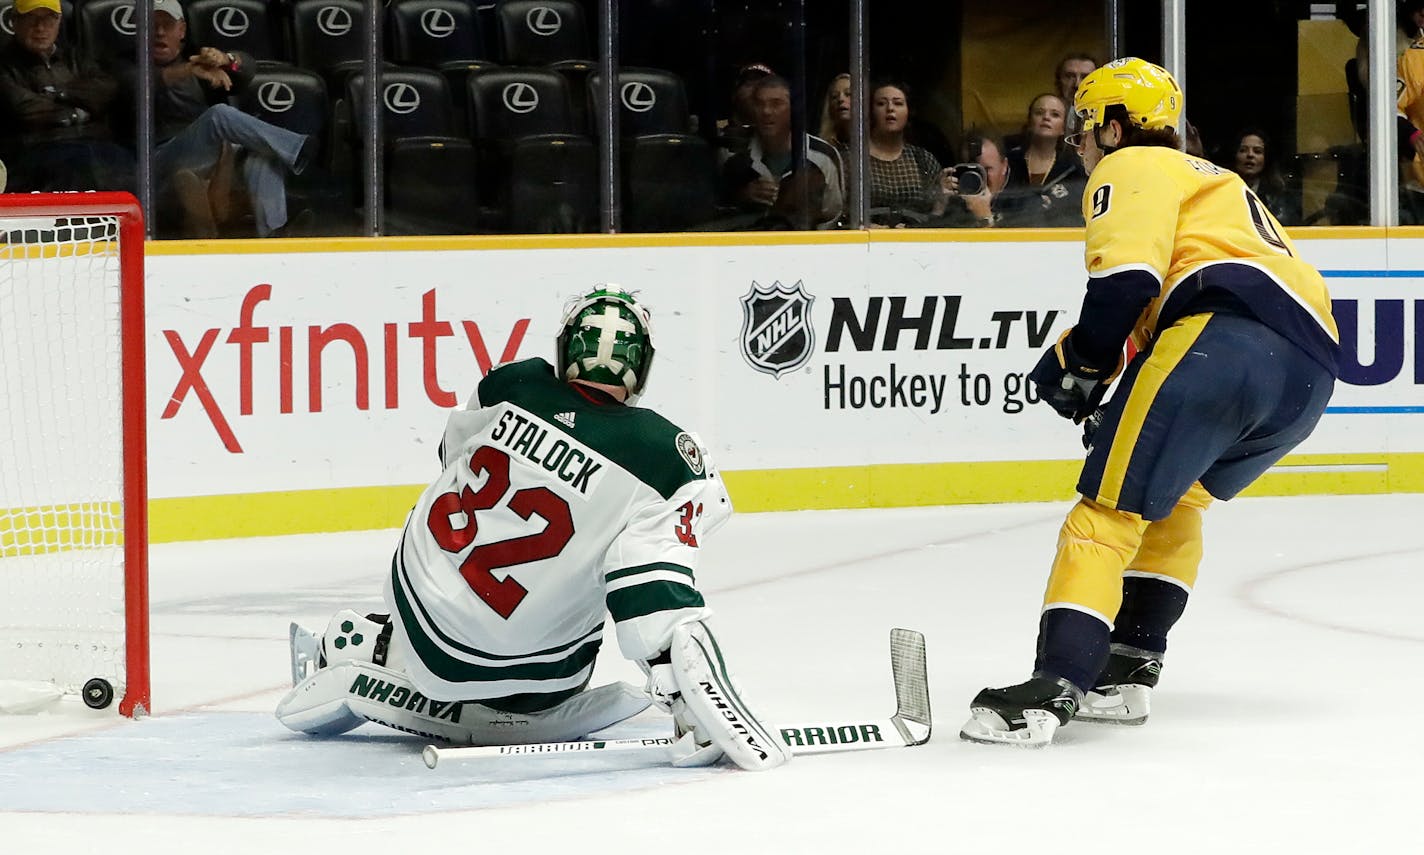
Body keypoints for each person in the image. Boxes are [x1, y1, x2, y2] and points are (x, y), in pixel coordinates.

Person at [960, 58, 1339, 747]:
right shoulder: (1215, 180)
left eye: (1085, 126)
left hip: (1223, 343)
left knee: (1106, 512)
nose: (1080, 141)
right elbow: (1158, 301)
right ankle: (1126, 669)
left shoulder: (1128, 167)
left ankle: (1054, 687)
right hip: (1310, 370)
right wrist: (1085, 360)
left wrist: (1082, 365)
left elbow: (1125, 283)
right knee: (1181, 498)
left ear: (1114, 125)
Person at [277, 287, 790, 772]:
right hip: (536, 677)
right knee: (597, 561)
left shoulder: (511, 383)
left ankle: (380, 644)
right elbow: (648, 584)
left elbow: (449, 455)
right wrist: (683, 687)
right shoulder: (666, 456)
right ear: (641, 367)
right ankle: (635, 700)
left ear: (568, 348)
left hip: (418, 601)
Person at [116, 0, 313, 237]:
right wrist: (186, 71)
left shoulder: (198, 56)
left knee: (263, 155)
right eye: (151, 24)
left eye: (166, 25)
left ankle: (273, 235)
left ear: (182, 30)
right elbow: (134, 88)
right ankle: (296, 148)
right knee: (218, 115)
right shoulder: (123, 64)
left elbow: (247, 70)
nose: (159, 32)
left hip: (210, 152)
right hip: (157, 161)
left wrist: (227, 59)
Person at [0, 0, 135, 193]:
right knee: (81, 163)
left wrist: (59, 94)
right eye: (32, 18)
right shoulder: (4, 65)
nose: (40, 27)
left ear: (59, 22)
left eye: (48, 18)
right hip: (35, 150)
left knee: (129, 163)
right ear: (14, 22)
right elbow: (26, 109)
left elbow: (105, 88)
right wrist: (78, 111)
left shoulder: (76, 56)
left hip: (95, 144)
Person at [718, 74, 844, 229]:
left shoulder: (823, 156)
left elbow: (833, 216)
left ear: (793, 109)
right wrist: (743, 196)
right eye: (759, 104)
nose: (766, 111)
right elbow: (715, 213)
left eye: (776, 104)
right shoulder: (734, 155)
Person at [865, 81, 953, 226]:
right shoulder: (853, 159)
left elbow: (938, 214)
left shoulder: (923, 160)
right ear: (870, 112)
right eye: (881, 103)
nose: (890, 109)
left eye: (898, 103)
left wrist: (942, 198)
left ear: (908, 112)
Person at [1003, 93, 1086, 226]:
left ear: (1063, 129)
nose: (1046, 117)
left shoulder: (1074, 169)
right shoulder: (1008, 162)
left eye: (1055, 115)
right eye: (1039, 112)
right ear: (1030, 122)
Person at [1226, 127, 1300, 226]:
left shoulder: (1278, 196)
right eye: (1243, 150)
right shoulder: (1223, 191)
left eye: (1257, 151)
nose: (1250, 155)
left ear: (1266, 158)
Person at [1055, 53, 1098, 138]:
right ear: (1059, 81)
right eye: (1070, 76)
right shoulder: (1046, 118)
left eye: (1086, 77)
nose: (1077, 84)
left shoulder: (1107, 121)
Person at [818, 72, 851, 154]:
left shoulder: (875, 146)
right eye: (834, 96)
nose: (841, 99)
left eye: (848, 94)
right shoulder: (821, 149)